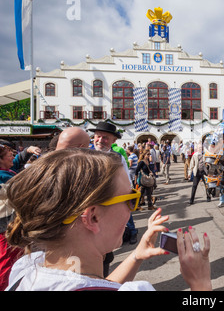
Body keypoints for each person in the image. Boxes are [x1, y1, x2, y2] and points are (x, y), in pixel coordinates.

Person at [5, 148, 212, 291]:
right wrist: (200, 282)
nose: (133, 209)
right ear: (93, 217)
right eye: (131, 199)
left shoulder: (28, 270)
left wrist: (135, 256)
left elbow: (92, 285)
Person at [88, 122, 138, 264]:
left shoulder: (118, 157)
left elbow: (126, 179)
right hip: (89, 204)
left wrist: (126, 199)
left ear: (113, 140)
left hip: (111, 202)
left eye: (105, 138)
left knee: (106, 247)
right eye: (98, 136)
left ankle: (131, 234)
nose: (100, 140)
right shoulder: (86, 154)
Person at [0, 143, 41, 290]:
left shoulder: (6, 170)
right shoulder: (2, 177)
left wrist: (28, 151)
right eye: (9, 154)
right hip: (4, 227)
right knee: (6, 261)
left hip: (10, 224)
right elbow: (22, 188)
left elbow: (16, 163)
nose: (13, 156)